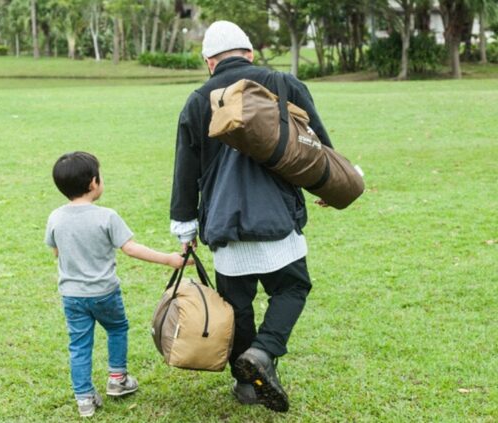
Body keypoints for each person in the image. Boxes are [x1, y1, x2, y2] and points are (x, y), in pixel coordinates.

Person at [170, 21, 334, 413]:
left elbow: (185, 169)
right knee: (292, 288)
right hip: (276, 214)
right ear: (249, 53)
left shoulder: (197, 100)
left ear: (210, 62)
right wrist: (329, 184)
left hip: (224, 222)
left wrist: (185, 226)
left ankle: (247, 384)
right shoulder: (282, 83)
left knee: (236, 305)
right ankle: (264, 352)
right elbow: (316, 141)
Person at [46, 151, 187, 418]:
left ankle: (84, 398)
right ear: (93, 183)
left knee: (78, 344)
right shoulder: (107, 216)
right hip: (105, 293)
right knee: (117, 328)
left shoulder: (55, 217)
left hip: (72, 296)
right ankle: (118, 379)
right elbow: (131, 249)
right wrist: (169, 259)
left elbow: (56, 252)